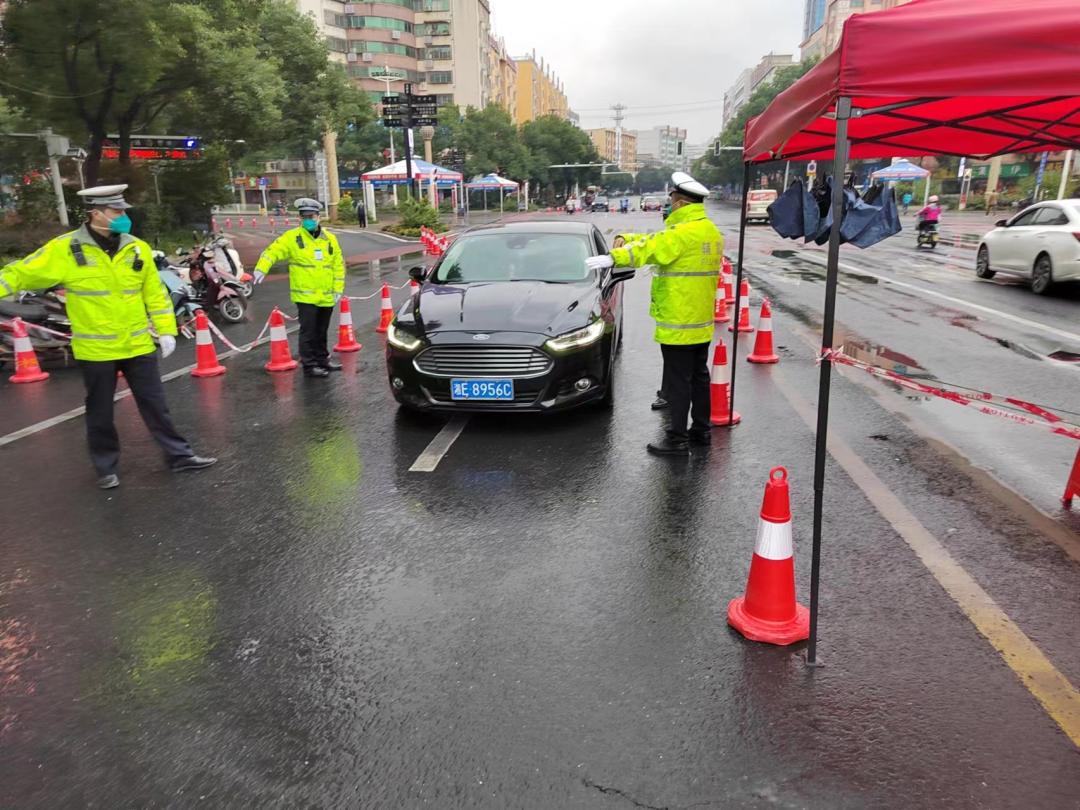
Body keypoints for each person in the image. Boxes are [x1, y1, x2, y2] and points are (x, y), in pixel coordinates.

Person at [0, 185, 216, 489]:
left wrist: (167, 330)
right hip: (96, 349)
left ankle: (179, 456)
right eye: (117, 212)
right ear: (95, 213)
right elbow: (19, 274)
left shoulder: (136, 247)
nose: (123, 217)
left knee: (156, 404)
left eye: (124, 211)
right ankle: (106, 467)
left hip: (138, 344)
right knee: (99, 411)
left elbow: (154, 294)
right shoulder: (65, 249)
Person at [589, 172, 723, 456]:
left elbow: (652, 248)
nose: (669, 204)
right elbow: (660, 240)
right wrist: (628, 238)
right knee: (699, 377)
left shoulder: (683, 233)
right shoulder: (708, 230)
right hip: (700, 322)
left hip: (679, 321)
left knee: (678, 384)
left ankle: (676, 439)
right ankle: (701, 431)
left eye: (671, 199)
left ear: (680, 203)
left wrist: (616, 256)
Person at [253, 198, 345, 378]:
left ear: (319, 217)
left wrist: (338, 289)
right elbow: (273, 251)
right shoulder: (293, 238)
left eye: (311, 216)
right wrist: (261, 267)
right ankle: (309, 366)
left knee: (322, 331)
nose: (308, 220)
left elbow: (338, 265)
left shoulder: (329, 239)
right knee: (308, 332)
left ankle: (322, 360)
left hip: (327, 295)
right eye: (304, 218)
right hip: (306, 296)